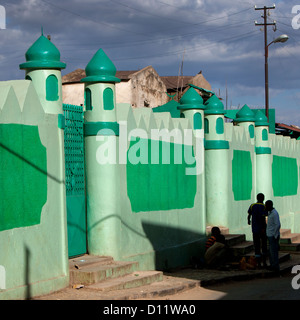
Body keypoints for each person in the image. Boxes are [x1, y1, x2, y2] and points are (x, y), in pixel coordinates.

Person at [247, 193, 268, 268]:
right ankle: (264, 262)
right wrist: (263, 228)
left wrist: (249, 221)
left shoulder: (252, 205)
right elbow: (263, 218)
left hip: (254, 229)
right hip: (262, 229)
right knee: (264, 245)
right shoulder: (264, 206)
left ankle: (258, 263)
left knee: (257, 245)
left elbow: (249, 214)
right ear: (263, 198)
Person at [265, 200, 281, 274]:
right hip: (270, 235)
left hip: (273, 235)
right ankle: (272, 265)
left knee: (273, 252)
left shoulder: (274, 213)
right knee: (271, 252)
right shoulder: (270, 213)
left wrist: (275, 235)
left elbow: (277, 225)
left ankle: (275, 266)